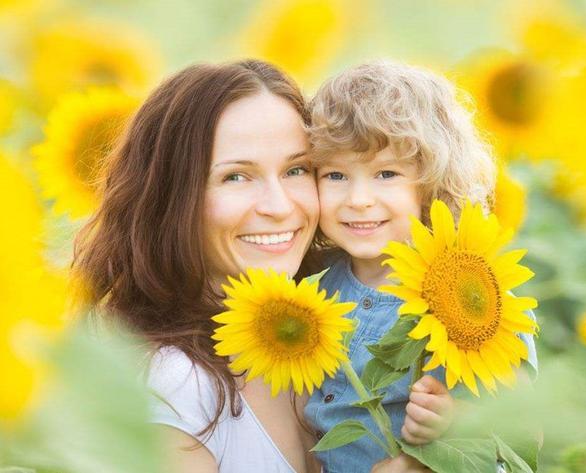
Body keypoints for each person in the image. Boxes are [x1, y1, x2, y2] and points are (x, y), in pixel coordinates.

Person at [73, 60, 323, 473]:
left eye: (296, 170)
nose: (280, 206)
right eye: (236, 177)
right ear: (173, 199)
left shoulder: (335, 339)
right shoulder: (180, 386)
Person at [303, 61, 539, 473]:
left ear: (432, 183)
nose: (359, 198)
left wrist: (451, 424)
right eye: (336, 174)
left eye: (386, 174)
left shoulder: (474, 296)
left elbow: (525, 431)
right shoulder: (314, 283)